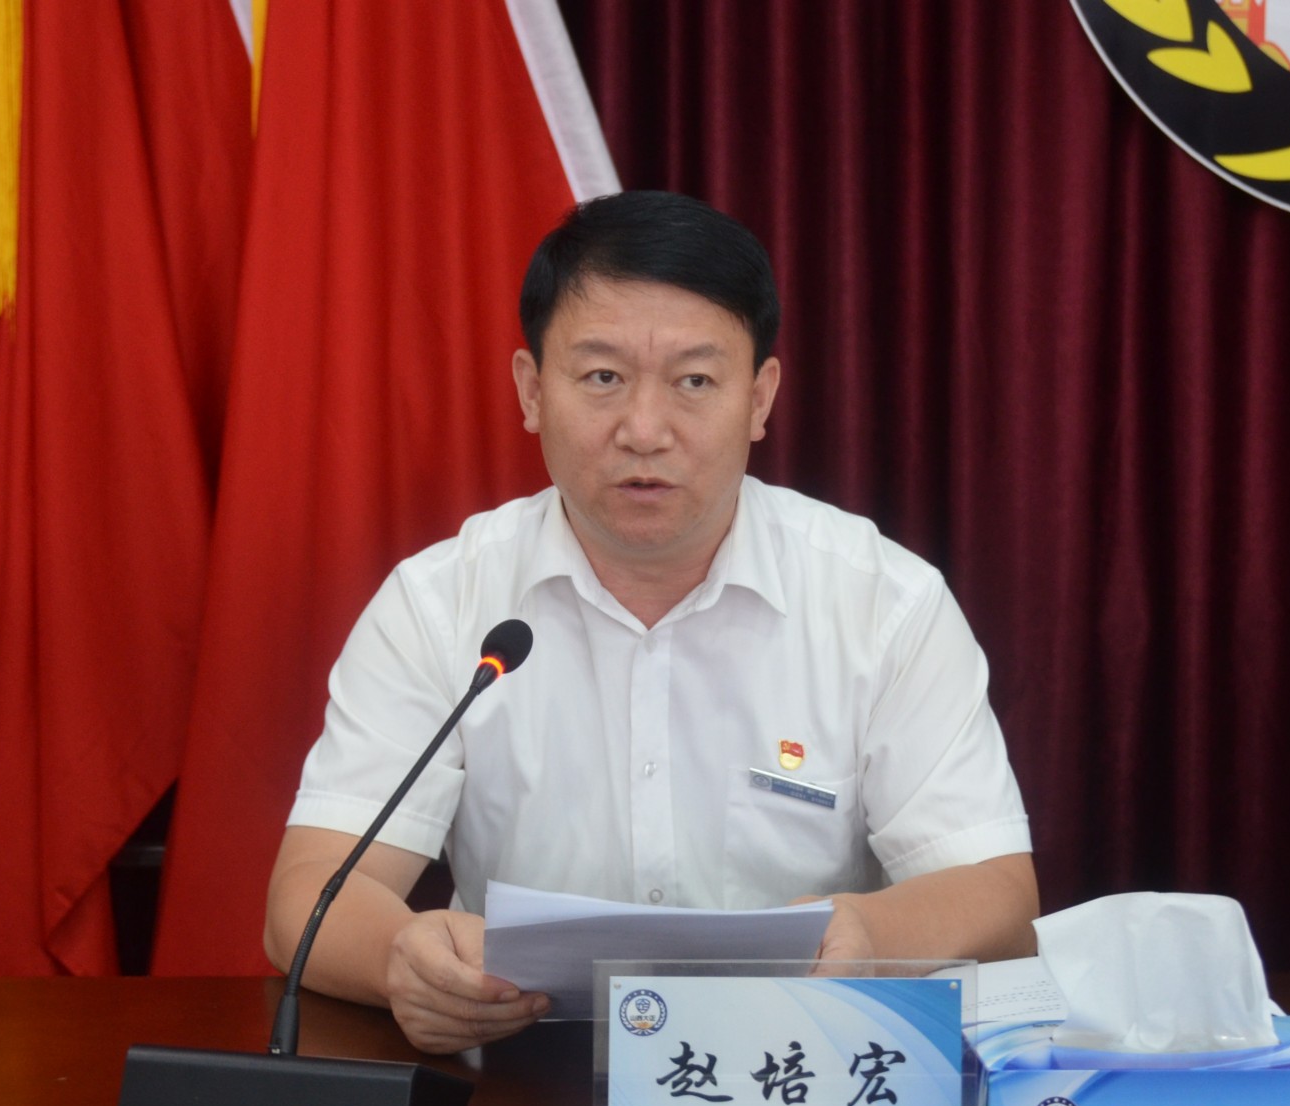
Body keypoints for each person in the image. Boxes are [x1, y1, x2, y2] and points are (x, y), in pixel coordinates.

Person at [264, 191, 1039, 1054]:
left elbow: (999, 895)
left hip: (799, 1071)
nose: (643, 430)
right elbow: (307, 894)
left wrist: (873, 932)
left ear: (759, 398)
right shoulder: (441, 602)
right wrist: (401, 960)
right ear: (531, 390)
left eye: (694, 382)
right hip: (521, 1076)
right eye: (602, 377)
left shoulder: (882, 602)